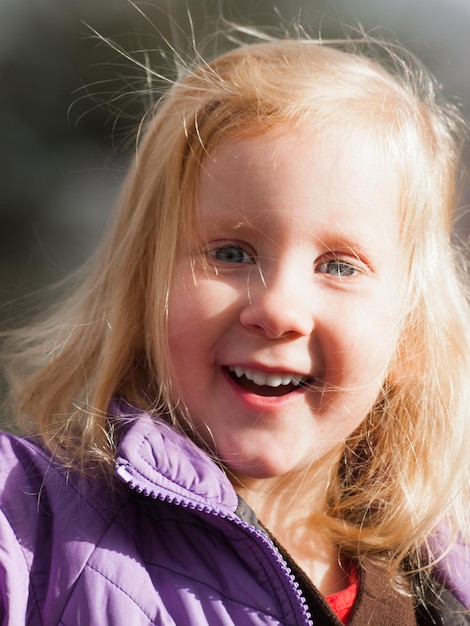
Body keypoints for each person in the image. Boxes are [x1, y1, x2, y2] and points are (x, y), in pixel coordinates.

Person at [0, 29, 469, 626]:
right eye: (230, 254)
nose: (277, 310)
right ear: (144, 289)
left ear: (410, 336)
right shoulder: (26, 520)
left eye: (340, 266)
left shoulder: (442, 596)